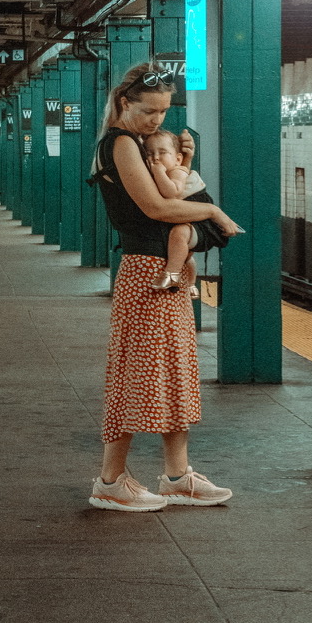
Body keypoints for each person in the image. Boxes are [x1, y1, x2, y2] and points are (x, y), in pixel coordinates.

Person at [87, 63, 243, 512]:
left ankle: (178, 476)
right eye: (150, 110)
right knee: (136, 375)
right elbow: (157, 208)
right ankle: (110, 481)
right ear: (124, 103)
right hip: (145, 273)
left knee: (174, 373)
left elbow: (173, 200)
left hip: (162, 270)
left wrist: (186, 167)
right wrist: (211, 214)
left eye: (165, 112)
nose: (159, 121)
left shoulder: (137, 143)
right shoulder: (119, 143)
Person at [144, 127, 221, 296]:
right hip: (186, 213)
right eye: (149, 154)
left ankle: (172, 274)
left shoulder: (177, 172)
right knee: (185, 255)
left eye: (162, 152)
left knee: (179, 236)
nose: (155, 157)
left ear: (178, 159)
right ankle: (192, 285)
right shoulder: (166, 171)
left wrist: (157, 172)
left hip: (195, 212)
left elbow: (172, 193)